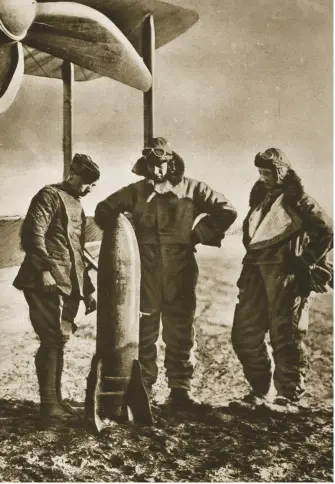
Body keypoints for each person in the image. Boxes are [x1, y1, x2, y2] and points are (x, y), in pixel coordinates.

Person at [95, 137, 237, 408]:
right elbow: (104, 210)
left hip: (180, 268)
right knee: (145, 328)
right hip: (145, 270)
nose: (157, 170)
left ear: (171, 162)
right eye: (152, 165)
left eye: (161, 164)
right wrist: (127, 234)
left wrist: (198, 234)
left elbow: (227, 210)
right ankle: (143, 389)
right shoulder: (135, 191)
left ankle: (180, 390)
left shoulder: (194, 188)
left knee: (180, 329)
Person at [231, 148, 333, 413]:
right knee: (244, 333)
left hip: (285, 275)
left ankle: (288, 397)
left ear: (283, 172)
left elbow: (327, 230)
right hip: (254, 271)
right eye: (261, 172)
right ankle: (260, 390)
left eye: (268, 172)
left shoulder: (300, 201)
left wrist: (305, 260)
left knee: (286, 334)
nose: (263, 177)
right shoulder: (261, 200)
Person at [13, 153, 100, 421]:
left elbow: (76, 249)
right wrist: (44, 271)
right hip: (46, 282)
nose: (89, 188)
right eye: (86, 182)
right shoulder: (48, 195)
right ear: (72, 175)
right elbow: (32, 234)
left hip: (66, 284)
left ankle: (57, 402)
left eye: (92, 184)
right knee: (52, 340)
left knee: (58, 341)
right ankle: (49, 405)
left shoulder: (75, 203)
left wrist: (88, 290)